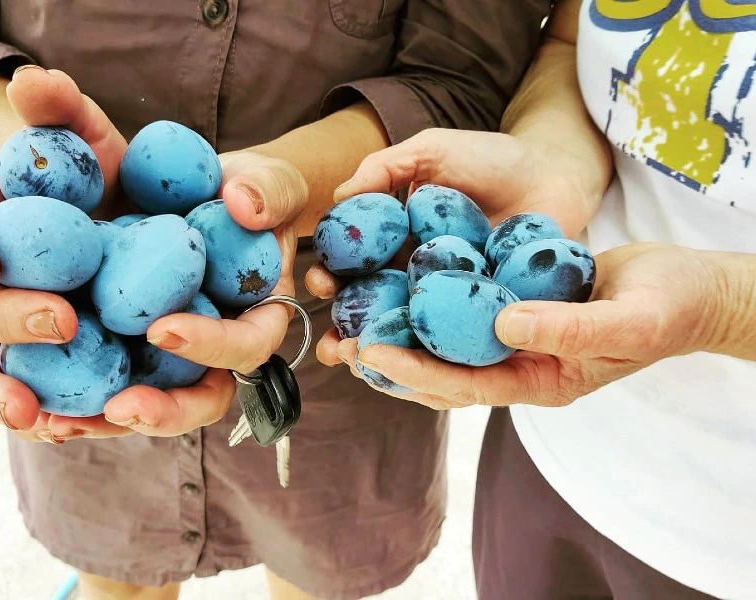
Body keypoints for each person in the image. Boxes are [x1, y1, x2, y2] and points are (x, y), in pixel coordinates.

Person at [0, 1, 554, 599]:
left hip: (334, 330)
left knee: (315, 571)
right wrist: (18, 169)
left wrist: (280, 183)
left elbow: (466, 79)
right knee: (117, 571)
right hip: (72, 326)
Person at [308, 0, 756, 598]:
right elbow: (573, 43)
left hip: (730, 544)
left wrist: (727, 307)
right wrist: (555, 164)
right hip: (559, 454)